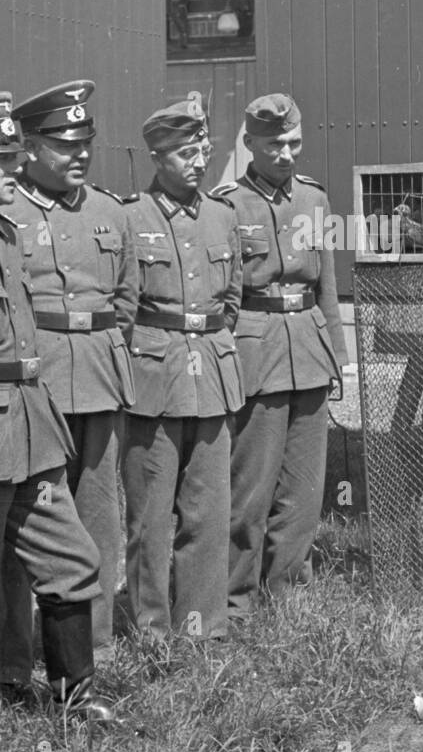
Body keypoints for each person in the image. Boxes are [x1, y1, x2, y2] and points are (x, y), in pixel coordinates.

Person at [0, 92, 122, 752]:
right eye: (0, 157)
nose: (15, 166)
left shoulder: (5, 233)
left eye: (18, 155)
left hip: (31, 425)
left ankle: (77, 696)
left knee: (72, 560)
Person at [0, 81, 137, 688]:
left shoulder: (110, 211)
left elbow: (126, 303)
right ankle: (6, 657)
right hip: (36, 382)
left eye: (85, 142)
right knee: (23, 516)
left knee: (99, 515)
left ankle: (92, 646)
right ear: (28, 149)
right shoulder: (3, 211)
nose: (78, 154)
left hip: (100, 375)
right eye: (63, 144)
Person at [212, 94, 346, 623]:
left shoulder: (315, 199)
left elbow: (329, 282)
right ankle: (235, 600)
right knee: (250, 487)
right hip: (256, 352)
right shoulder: (227, 205)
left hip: (309, 349)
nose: (287, 154)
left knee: (304, 491)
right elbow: (223, 295)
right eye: (275, 144)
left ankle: (288, 595)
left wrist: (338, 354)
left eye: (294, 142)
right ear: (250, 144)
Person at [122, 99, 243, 641]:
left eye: (202, 151)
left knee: (209, 514)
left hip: (214, 377)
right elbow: (123, 306)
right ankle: (150, 631)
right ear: (156, 157)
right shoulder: (130, 218)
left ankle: (203, 628)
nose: (196, 162)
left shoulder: (222, 215)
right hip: (155, 378)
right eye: (184, 153)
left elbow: (232, 299)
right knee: (149, 520)